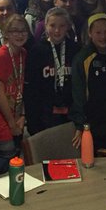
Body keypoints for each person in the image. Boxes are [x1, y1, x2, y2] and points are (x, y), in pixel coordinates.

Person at [70, 13, 106, 151]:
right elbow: (79, 94)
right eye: (98, 32)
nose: (103, 37)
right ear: (90, 33)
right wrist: (80, 124)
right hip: (95, 124)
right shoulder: (82, 59)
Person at [25, 7, 75, 136]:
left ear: (68, 26)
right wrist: (33, 122)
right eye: (52, 25)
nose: (57, 30)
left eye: (62, 26)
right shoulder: (36, 51)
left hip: (70, 113)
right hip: (44, 115)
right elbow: (32, 90)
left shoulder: (75, 50)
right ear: (45, 25)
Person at [0, 14, 28, 162]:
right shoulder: (0, 56)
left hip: (16, 115)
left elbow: (21, 87)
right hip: (0, 119)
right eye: (14, 31)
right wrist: (11, 123)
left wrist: (22, 116)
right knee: (8, 162)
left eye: (23, 31)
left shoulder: (23, 54)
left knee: (16, 156)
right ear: (6, 34)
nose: (19, 34)